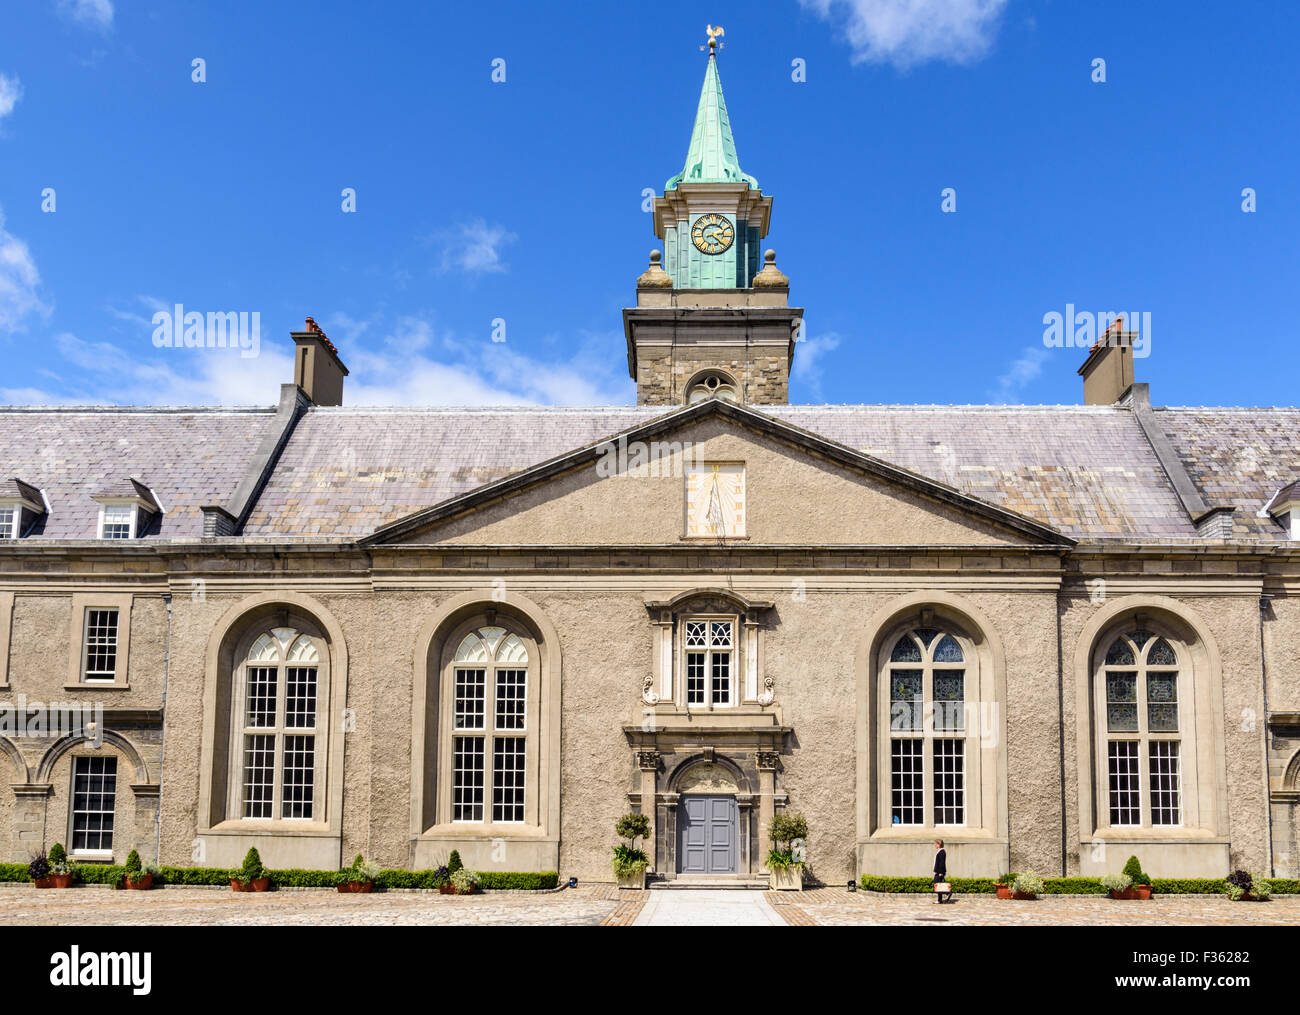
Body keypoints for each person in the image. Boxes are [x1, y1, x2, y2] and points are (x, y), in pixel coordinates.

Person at [932, 839, 952, 903]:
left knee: (937, 885)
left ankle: (947, 894)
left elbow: (942, 863)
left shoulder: (942, 852)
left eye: (935, 844)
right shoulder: (939, 851)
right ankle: (940, 899)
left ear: (939, 844)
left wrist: (940, 872)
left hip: (939, 872)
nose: (935, 845)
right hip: (938, 871)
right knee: (938, 885)